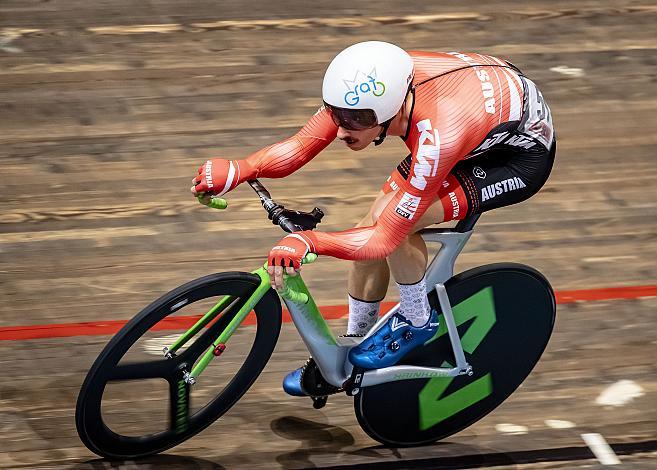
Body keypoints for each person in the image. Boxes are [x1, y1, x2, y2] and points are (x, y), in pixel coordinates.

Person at [191, 41, 555, 395]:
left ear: (393, 110)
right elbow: (302, 145)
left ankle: (417, 319)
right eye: (337, 115)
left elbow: (384, 239)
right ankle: (353, 344)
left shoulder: (437, 135)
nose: (342, 129)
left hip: (515, 158)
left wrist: (310, 241)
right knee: (372, 219)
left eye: (357, 120)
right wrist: (241, 168)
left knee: (397, 225)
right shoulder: (365, 91)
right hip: (475, 116)